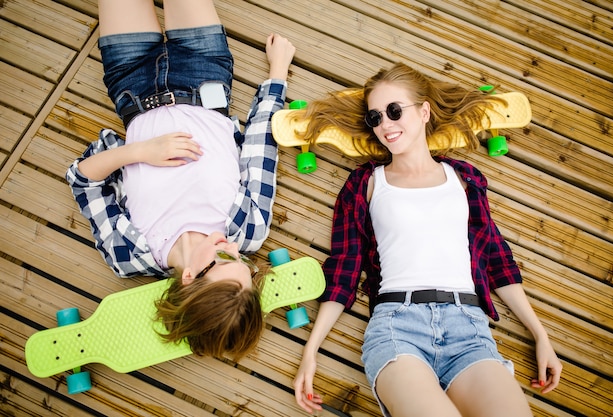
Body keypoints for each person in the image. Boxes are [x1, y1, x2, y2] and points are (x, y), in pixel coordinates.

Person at [292, 63, 562, 416]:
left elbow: (496, 260)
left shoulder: (463, 179)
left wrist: (541, 336)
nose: (385, 125)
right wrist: (310, 352)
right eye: (376, 117)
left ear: (423, 111)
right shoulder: (366, 184)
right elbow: (344, 269)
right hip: (397, 327)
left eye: (393, 111)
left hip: (469, 328)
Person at [66, 0, 295, 360]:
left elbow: (83, 181)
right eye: (244, 263)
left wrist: (140, 152)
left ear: (189, 277)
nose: (232, 247)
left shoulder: (128, 253)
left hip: (131, 84)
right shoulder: (248, 230)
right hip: (203, 76)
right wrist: (278, 75)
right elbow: (259, 149)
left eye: (222, 258)